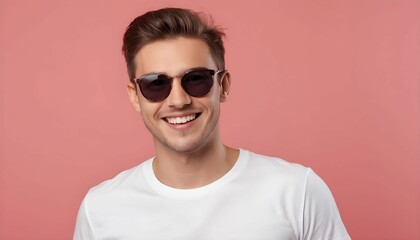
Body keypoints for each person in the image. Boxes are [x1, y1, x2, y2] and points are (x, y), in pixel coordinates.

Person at [74, 8, 351, 240]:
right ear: (135, 97)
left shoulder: (297, 192)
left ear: (224, 85)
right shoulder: (100, 210)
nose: (179, 100)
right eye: (156, 84)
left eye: (196, 79)